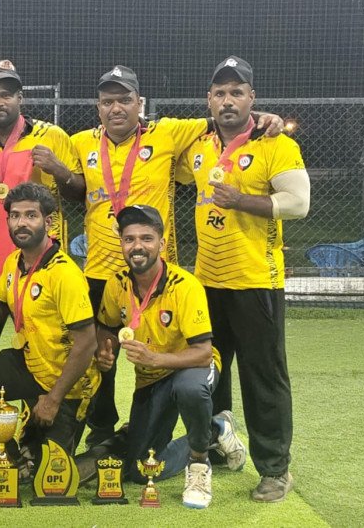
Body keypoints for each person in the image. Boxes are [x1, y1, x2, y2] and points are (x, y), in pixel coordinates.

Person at [70, 65, 284, 449]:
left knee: (169, 356)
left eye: (125, 100)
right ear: (97, 107)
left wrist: (264, 118)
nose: (116, 108)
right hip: (101, 272)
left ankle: (189, 430)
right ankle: (101, 435)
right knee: (99, 358)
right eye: (107, 101)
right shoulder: (80, 141)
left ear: (140, 103)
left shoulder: (168, 132)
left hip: (156, 276)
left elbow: (223, 119)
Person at [177, 56, 310, 503]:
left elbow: (298, 203)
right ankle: (218, 446)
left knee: (263, 378)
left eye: (237, 92)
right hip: (206, 282)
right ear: (208, 100)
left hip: (256, 282)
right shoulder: (197, 144)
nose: (228, 100)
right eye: (220, 93)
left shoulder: (276, 143)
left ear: (252, 97)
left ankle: (275, 469)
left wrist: (242, 200)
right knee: (208, 372)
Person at [0, 60, 84, 474]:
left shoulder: (53, 137)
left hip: (35, 269)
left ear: (20, 98)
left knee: (48, 349)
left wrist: (58, 170)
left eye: (6, 94)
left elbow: (81, 192)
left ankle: (44, 429)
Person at [96, 204, 247, 509]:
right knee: (141, 470)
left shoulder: (185, 286)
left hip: (192, 367)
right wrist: (105, 349)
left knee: (189, 388)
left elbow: (203, 354)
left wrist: (154, 359)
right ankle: (215, 430)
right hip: (151, 379)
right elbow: (106, 327)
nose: (137, 246)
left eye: (146, 238)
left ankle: (199, 465)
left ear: (162, 244)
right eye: (129, 239)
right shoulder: (117, 284)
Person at [0, 182, 99, 486]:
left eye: (30, 215)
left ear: (48, 222)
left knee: (49, 477)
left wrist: (53, 399)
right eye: (15, 216)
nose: (21, 223)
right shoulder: (14, 262)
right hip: (29, 365)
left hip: (67, 385)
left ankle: (111, 447)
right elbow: (4, 305)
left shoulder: (65, 274)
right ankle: (9, 456)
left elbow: (87, 343)